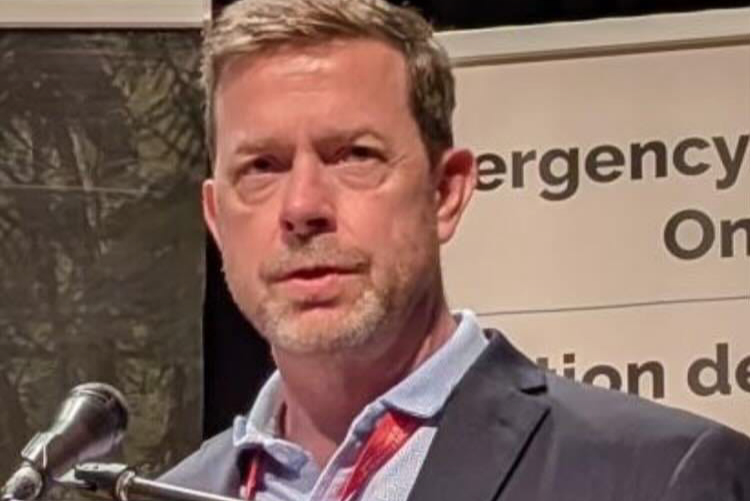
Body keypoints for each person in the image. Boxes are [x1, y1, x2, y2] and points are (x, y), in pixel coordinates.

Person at [161, 0, 750, 499]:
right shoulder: (172, 491)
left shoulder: (658, 477)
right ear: (216, 217)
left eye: (354, 156)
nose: (302, 206)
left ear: (445, 192)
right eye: (262, 167)